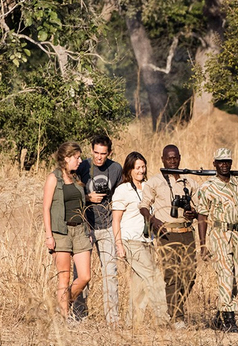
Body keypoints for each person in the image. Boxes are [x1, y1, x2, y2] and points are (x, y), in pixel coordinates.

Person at [192, 146, 238, 333]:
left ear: (231, 163)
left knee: (236, 276)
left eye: (227, 162)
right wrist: (203, 244)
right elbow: (202, 216)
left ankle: (219, 315)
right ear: (214, 164)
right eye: (220, 162)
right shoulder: (207, 187)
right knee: (226, 275)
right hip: (219, 234)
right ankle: (228, 319)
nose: (224, 165)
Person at [110, 151, 167, 326]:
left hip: (147, 240)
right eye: (137, 168)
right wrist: (119, 244)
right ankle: (164, 319)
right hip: (130, 240)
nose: (141, 171)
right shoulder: (123, 190)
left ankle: (132, 323)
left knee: (139, 283)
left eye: (143, 167)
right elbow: (116, 220)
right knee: (154, 276)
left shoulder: (149, 187)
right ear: (129, 170)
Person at [148, 143, 199, 327]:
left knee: (190, 275)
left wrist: (192, 213)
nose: (172, 161)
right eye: (169, 158)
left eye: (175, 157)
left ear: (180, 158)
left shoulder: (189, 182)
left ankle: (176, 306)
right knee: (172, 275)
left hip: (186, 232)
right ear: (162, 159)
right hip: (166, 233)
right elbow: (143, 206)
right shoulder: (155, 181)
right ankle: (177, 316)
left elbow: (200, 209)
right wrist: (153, 220)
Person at [74, 133, 123, 323]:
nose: (99, 157)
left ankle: (112, 318)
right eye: (96, 152)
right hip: (85, 227)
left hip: (107, 226)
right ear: (91, 150)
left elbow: (121, 195)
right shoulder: (83, 166)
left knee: (110, 274)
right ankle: (79, 315)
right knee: (81, 274)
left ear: (109, 153)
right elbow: (71, 193)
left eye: (103, 153)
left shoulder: (116, 168)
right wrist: (87, 198)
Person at [41, 141, 92, 319]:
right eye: (77, 158)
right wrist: (49, 235)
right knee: (64, 277)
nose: (80, 161)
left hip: (80, 231)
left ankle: (63, 303)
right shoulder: (53, 178)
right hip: (61, 232)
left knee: (85, 276)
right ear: (67, 158)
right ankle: (64, 318)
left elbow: (79, 204)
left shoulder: (77, 178)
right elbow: (46, 208)